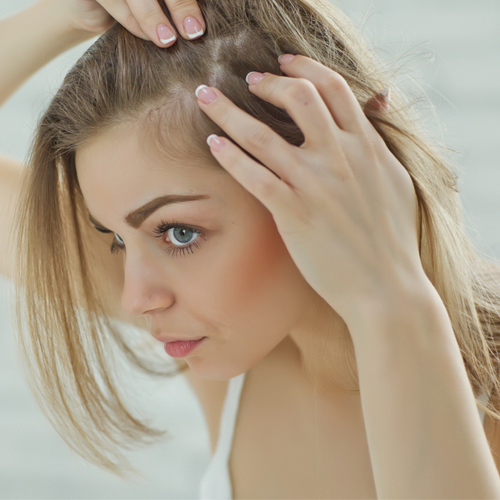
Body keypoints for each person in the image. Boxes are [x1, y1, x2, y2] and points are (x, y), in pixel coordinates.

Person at [1, 0, 500, 498]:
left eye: (179, 233)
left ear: (342, 174)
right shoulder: (236, 348)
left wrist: (388, 296)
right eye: (116, 239)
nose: (137, 298)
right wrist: (67, 14)